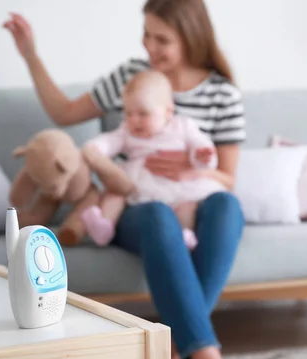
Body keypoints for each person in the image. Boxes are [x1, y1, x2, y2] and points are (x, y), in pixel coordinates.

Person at [3, 1, 254, 359]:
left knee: (227, 206)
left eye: (162, 39)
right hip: (139, 209)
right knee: (156, 215)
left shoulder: (222, 94)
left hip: (194, 203)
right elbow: (65, 112)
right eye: (146, 35)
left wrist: (191, 172)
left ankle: (169, 357)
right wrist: (30, 54)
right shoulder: (133, 77)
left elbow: (227, 178)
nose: (150, 47)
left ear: (191, 36)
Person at [80, 69, 226, 250]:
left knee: (187, 206)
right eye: (128, 113)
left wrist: (202, 155)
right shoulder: (126, 131)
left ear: (168, 110)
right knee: (114, 192)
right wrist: (95, 148)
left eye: (143, 114)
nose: (134, 120)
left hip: (176, 184)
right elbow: (111, 141)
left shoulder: (182, 126)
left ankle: (186, 234)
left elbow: (199, 144)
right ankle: (104, 227)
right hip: (139, 181)